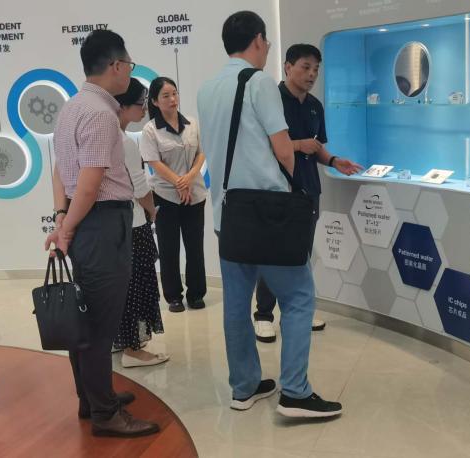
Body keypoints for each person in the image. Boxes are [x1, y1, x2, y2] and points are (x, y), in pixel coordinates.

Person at [197, 10, 342, 418]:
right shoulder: (259, 82)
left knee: (235, 303)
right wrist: (294, 191)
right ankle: (295, 392)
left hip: (227, 213)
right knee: (299, 298)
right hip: (268, 212)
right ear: (259, 40)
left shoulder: (207, 89)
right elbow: (283, 150)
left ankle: (243, 387)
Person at [44, 29, 159, 437]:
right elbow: (90, 186)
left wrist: (63, 219)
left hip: (88, 223)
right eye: (128, 63)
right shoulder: (100, 114)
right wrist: (67, 227)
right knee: (99, 326)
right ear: (115, 66)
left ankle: (92, 399)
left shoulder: (72, 107)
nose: (129, 70)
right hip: (102, 224)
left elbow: (61, 172)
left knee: (87, 319)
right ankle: (105, 414)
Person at [253, 44, 363, 343]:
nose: (312, 74)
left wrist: (334, 161)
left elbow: (317, 146)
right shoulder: (270, 100)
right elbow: (261, 145)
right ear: (288, 67)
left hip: (308, 189)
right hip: (276, 189)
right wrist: (298, 145)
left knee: (301, 254)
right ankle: (263, 315)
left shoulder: (315, 105)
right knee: (273, 253)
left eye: (316, 69)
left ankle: (297, 310)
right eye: (305, 67)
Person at [112, 79, 169, 368]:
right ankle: (133, 349)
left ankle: (121, 339)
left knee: (120, 287)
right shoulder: (123, 142)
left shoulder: (105, 135)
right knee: (137, 286)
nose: (145, 109)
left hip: (114, 227)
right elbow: (139, 188)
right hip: (133, 224)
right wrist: (152, 212)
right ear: (122, 106)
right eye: (140, 103)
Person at [140, 76, 208, 313]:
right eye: (166, 96)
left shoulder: (192, 123)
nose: (172, 99)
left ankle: (196, 293)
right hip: (165, 196)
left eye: (175, 93)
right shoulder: (150, 130)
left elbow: (201, 153)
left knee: (195, 247)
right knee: (169, 248)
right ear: (155, 101)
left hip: (194, 193)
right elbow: (153, 162)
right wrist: (179, 183)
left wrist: (189, 178)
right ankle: (173, 296)